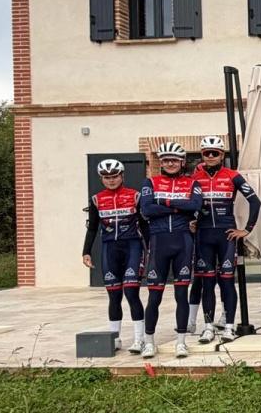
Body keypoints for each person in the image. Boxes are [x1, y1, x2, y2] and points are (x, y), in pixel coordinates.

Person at [190, 136, 261, 344]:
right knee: (207, 283)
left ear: (222, 155)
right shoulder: (195, 178)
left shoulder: (232, 175)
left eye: (215, 153)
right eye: (206, 153)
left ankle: (229, 326)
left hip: (226, 236)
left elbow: (254, 202)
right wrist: (190, 221)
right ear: (202, 155)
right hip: (203, 236)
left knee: (228, 282)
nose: (211, 156)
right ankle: (208, 326)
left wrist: (246, 230)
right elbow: (187, 204)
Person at [138, 142, 203, 359]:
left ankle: (181, 341)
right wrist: (177, 206)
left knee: (181, 294)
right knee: (154, 297)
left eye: (174, 160)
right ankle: (148, 342)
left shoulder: (191, 182)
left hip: (183, 241)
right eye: (166, 160)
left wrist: (164, 202)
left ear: (182, 162)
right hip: (159, 243)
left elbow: (194, 205)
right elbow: (146, 208)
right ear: (161, 163)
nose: (170, 163)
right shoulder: (151, 181)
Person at [82, 159, 145, 354]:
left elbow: (145, 226)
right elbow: (92, 228)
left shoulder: (135, 196)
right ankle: (115, 339)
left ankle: (139, 339)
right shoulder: (96, 199)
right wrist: (85, 251)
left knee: (131, 293)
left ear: (122, 176)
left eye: (114, 176)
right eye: (107, 177)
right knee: (114, 295)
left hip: (133, 246)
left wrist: (150, 250)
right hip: (109, 249)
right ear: (102, 179)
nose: (111, 180)